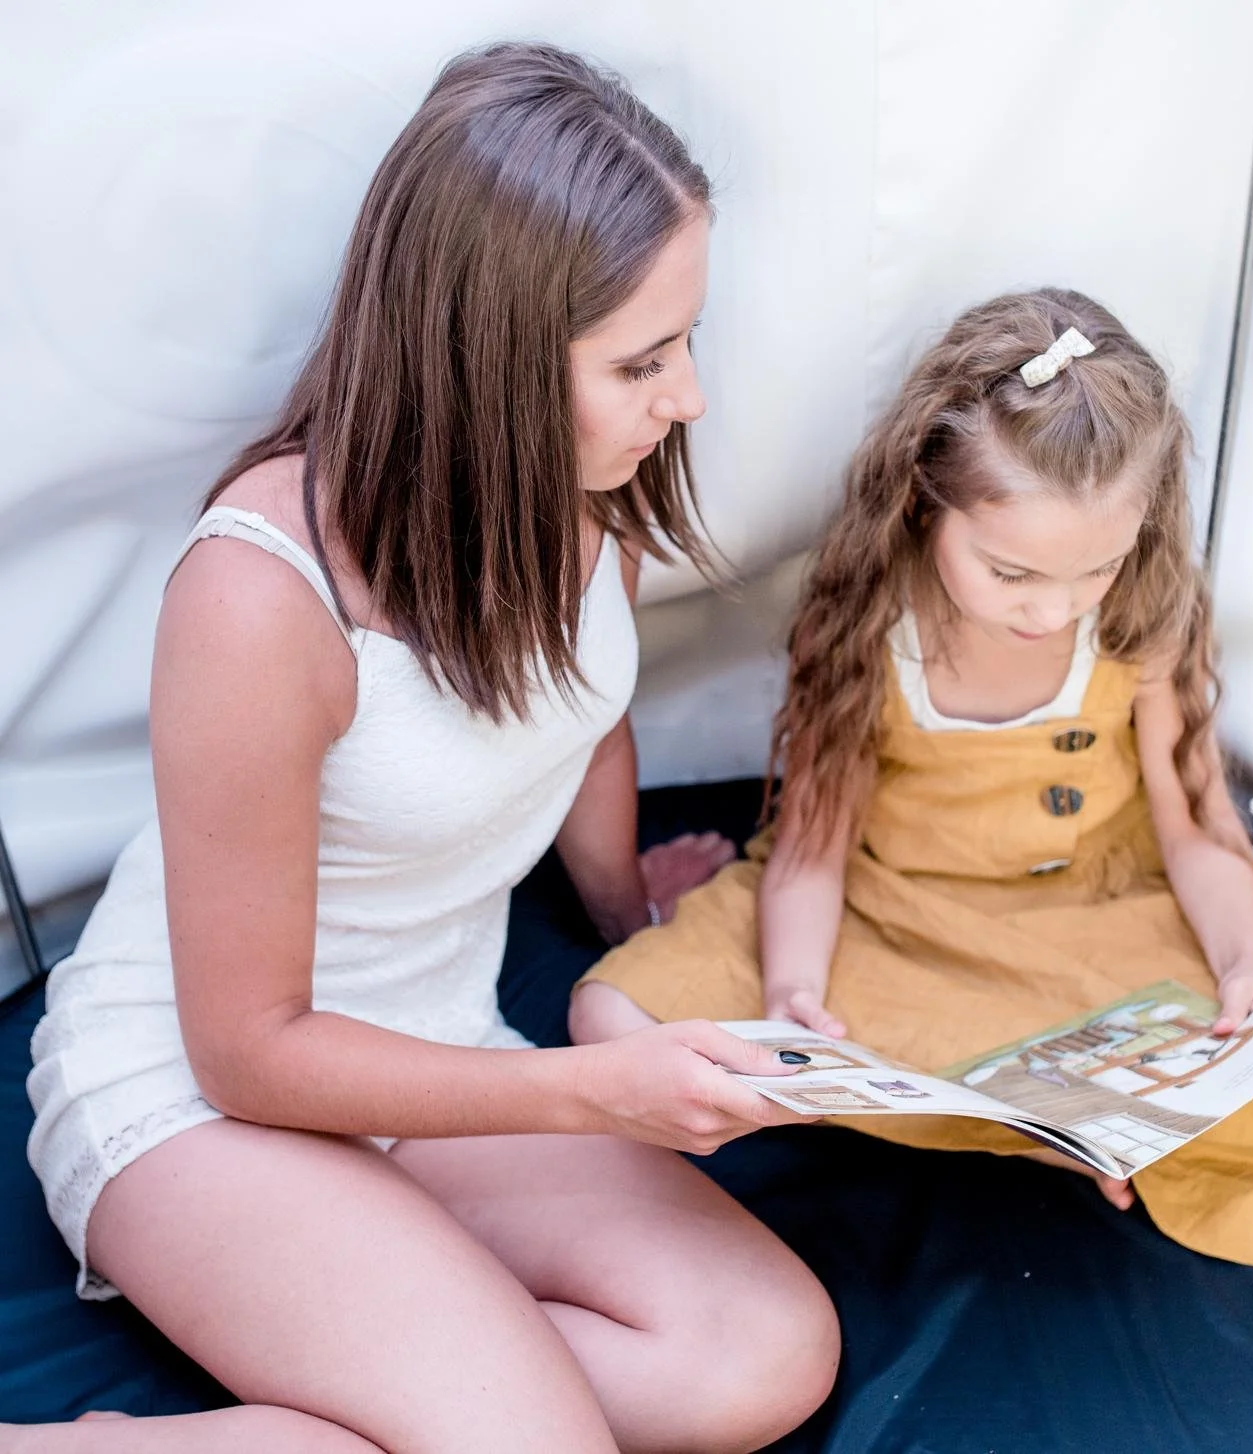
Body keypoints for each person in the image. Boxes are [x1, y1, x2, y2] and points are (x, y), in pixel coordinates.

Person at [17, 43, 839, 1454]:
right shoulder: (260, 598)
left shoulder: (584, 498)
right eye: (642, 359)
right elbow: (249, 1051)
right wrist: (588, 1092)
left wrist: (624, 909)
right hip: (203, 1095)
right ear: (494, 358)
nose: (687, 396)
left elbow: (579, 722)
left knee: (760, 1356)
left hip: (436, 1052)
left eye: (685, 340)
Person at [570, 287, 1253, 1267]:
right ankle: (1040, 1128)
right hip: (890, 916)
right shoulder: (867, 614)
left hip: (1092, 921)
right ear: (925, 497)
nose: (1055, 609)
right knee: (612, 1021)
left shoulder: (1145, 611)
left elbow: (1200, 831)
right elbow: (811, 854)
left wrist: (1246, 967)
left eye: (1097, 569)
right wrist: (794, 991)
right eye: (1012, 574)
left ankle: (1042, 1125)